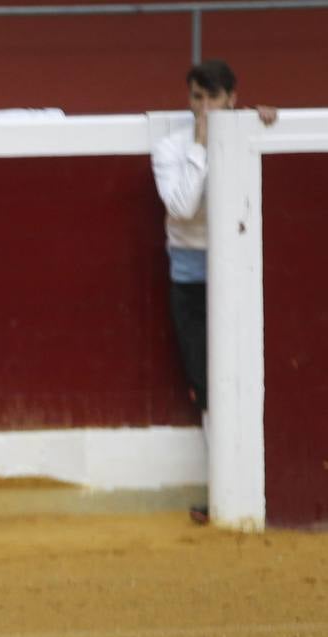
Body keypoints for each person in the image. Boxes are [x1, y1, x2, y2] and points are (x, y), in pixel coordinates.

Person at [150, 60, 276, 522]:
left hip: (245, 273)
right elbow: (182, 209)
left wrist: (265, 130)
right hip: (193, 278)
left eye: (213, 99)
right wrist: (202, 146)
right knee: (206, 382)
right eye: (196, 99)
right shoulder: (172, 147)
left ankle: (249, 483)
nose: (203, 108)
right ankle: (224, 487)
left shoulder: (248, 132)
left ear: (232, 98)